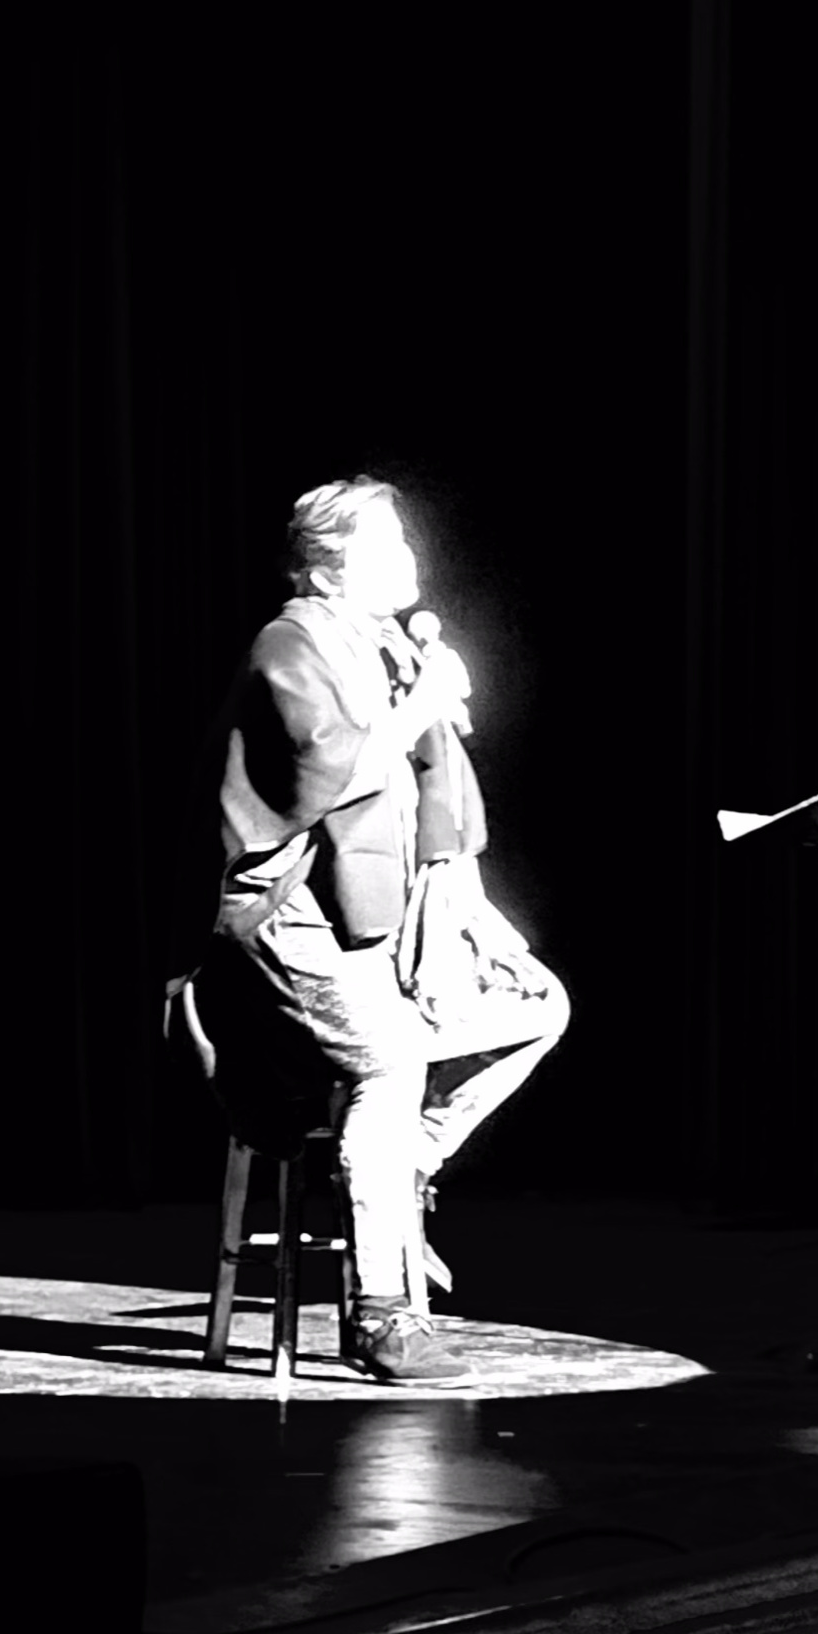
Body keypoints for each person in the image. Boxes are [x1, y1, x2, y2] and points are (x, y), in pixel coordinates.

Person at [196, 478, 560, 1383]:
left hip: (381, 919)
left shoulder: (391, 644)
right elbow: (329, 767)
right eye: (385, 545)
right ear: (327, 570)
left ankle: (405, 1169)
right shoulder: (291, 642)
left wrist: (471, 912)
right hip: (291, 922)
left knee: (533, 1005)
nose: (408, 558)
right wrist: (420, 703)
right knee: (391, 1061)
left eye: (406, 541)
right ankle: (382, 1315)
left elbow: (435, 799)